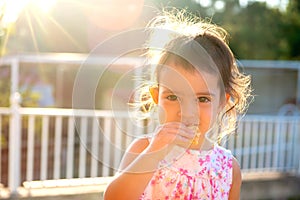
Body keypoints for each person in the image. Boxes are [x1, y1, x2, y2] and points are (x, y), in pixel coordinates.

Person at [104, 9, 252, 200]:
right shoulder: (144, 149)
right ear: (156, 96)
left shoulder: (228, 168)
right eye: (173, 97)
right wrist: (154, 153)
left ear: (223, 102)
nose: (187, 112)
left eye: (202, 99)